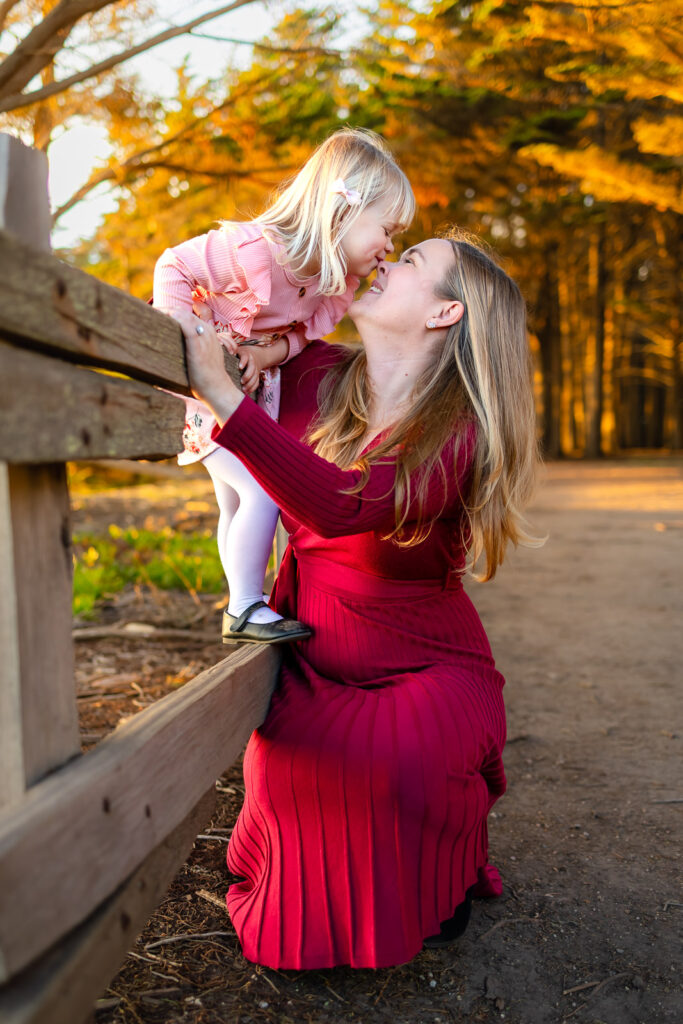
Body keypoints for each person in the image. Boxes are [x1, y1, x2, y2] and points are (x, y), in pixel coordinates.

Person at [176, 228, 541, 969]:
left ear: (444, 314)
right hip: (317, 657)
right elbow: (232, 293)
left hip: (427, 665)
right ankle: (353, 893)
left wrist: (223, 395)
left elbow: (341, 505)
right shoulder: (312, 373)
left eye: (410, 263)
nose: (384, 262)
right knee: (293, 771)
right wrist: (226, 365)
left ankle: (435, 869)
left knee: (402, 761)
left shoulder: (459, 432)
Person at [154, 128, 415, 645]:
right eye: (386, 229)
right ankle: (246, 607)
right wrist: (187, 334)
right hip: (204, 390)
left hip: (246, 390)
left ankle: (245, 598)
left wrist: (262, 353)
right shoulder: (254, 251)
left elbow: (299, 336)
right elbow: (174, 265)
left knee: (235, 502)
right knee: (260, 492)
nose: (390, 247)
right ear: (340, 212)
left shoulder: (334, 285)